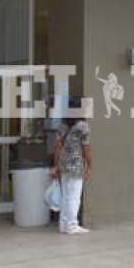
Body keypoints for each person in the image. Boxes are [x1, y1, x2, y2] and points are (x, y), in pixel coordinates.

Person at [53, 97, 93, 235]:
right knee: (74, 196)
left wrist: (56, 165)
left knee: (66, 196)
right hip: (75, 165)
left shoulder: (63, 126)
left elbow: (57, 147)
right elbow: (86, 148)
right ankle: (72, 225)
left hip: (63, 164)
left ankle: (63, 224)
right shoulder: (83, 126)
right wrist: (90, 166)